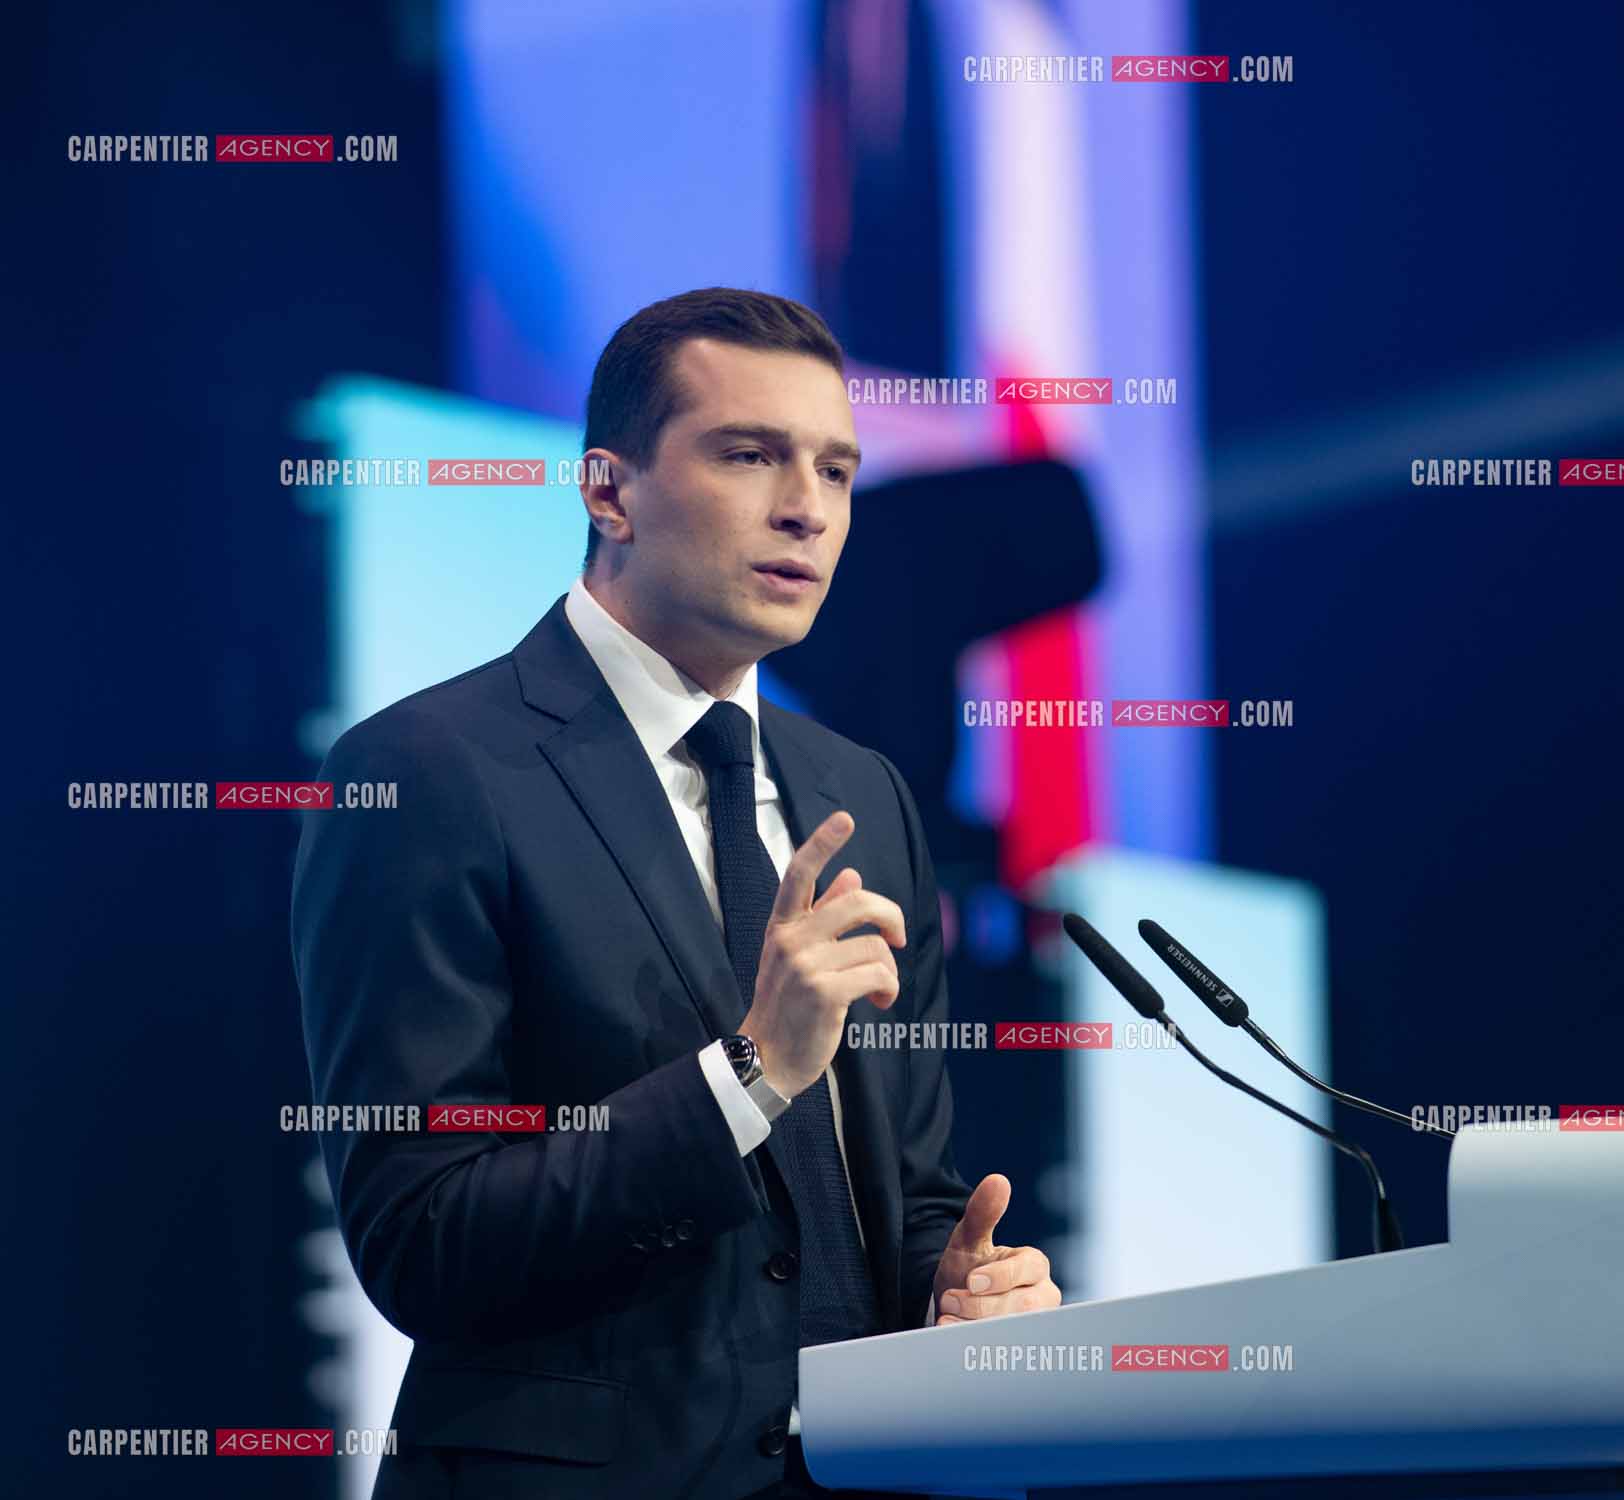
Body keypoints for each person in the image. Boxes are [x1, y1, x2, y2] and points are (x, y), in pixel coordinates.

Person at [293, 287, 1059, 1498]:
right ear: (608, 490)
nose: (806, 508)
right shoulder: (427, 774)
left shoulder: (863, 793)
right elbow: (421, 1240)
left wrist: (956, 1288)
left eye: (838, 471)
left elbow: (902, 1196)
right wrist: (748, 1070)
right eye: (749, 456)